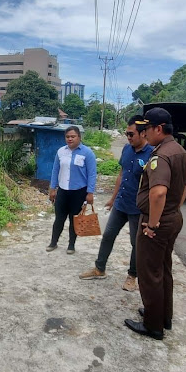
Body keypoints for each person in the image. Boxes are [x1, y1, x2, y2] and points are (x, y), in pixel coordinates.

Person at [124, 108, 186, 340]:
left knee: (150, 272)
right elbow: (184, 189)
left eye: (147, 128)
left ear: (158, 129)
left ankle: (153, 325)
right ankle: (163, 315)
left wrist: (152, 225)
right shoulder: (180, 151)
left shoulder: (160, 155)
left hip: (157, 222)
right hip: (173, 217)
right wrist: (173, 212)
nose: (144, 132)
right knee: (163, 269)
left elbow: (158, 193)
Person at [79, 116, 153, 291]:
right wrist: (112, 199)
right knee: (108, 236)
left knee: (136, 244)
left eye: (131, 134)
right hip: (121, 203)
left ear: (143, 133)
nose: (128, 137)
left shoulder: (152, 154)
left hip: (138, 208)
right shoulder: (127, 149)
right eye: (126, 133)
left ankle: (132, 276)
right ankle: (99, 269)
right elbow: (121, 174)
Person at [48, 126, 97, 254]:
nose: (70, 139)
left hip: (79, 192)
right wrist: (52, 189)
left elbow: (92, 174)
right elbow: (55, 171)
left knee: (74, 219)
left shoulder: (87, 153)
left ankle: (71, 245)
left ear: (79, 137)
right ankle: (53, 243)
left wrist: (90, 193)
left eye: (73, 136)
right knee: (59, 219)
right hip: (63, 191)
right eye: (67, 137)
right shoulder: (61, 152)